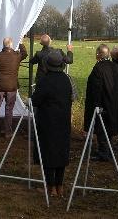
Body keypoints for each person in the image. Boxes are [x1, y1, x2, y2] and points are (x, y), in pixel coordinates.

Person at [32, 51, 74, 198]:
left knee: (48, 152)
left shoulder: (44, 81)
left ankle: (51, 187)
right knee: (61, 152)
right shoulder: (67, 79)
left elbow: (36, 101)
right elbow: (72, 97)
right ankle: (59, 185)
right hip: (63, 120)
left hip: (47, 121)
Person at [83, 44, 118, 162]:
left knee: (101, 128)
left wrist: (96, 105)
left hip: (102, 104)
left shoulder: (98, 68)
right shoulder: (114, 66)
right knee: (108, 128)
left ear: (99, 54)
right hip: (113, 102)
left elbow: (96, 88)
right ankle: (108, 150)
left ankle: (104, 152)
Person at [0, 37, 27, 138]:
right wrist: (21, 43)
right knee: (9, 109)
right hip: (12, 86)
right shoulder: (17, 56)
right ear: (11, 45)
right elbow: (25, 53)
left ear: (3, 45)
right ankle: (8, 132)